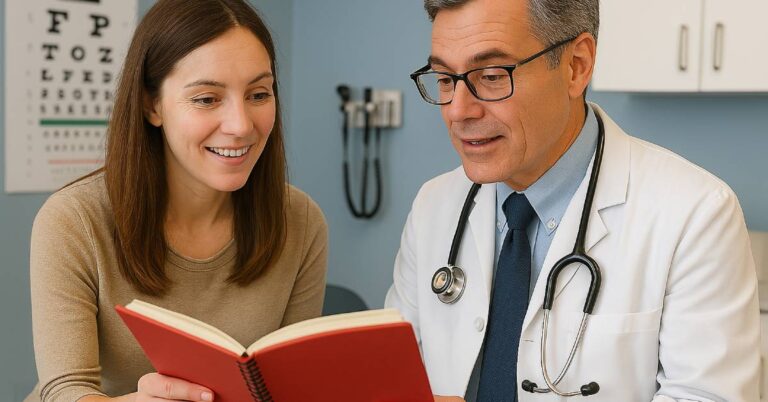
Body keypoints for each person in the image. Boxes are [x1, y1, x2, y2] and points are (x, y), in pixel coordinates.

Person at [385, 0, 760, 401]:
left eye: (492, 76)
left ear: (576, 65)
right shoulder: (433, 206)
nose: (458, 110)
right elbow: (393, 377)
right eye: (444, 79)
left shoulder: (696, 215)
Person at [26, 1, 328, 401]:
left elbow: (290, 386)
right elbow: (64, 390)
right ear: (152, 105)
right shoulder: (73, 221)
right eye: (206, 99)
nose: (240, 125)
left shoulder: (301, 221)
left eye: (258, 94)